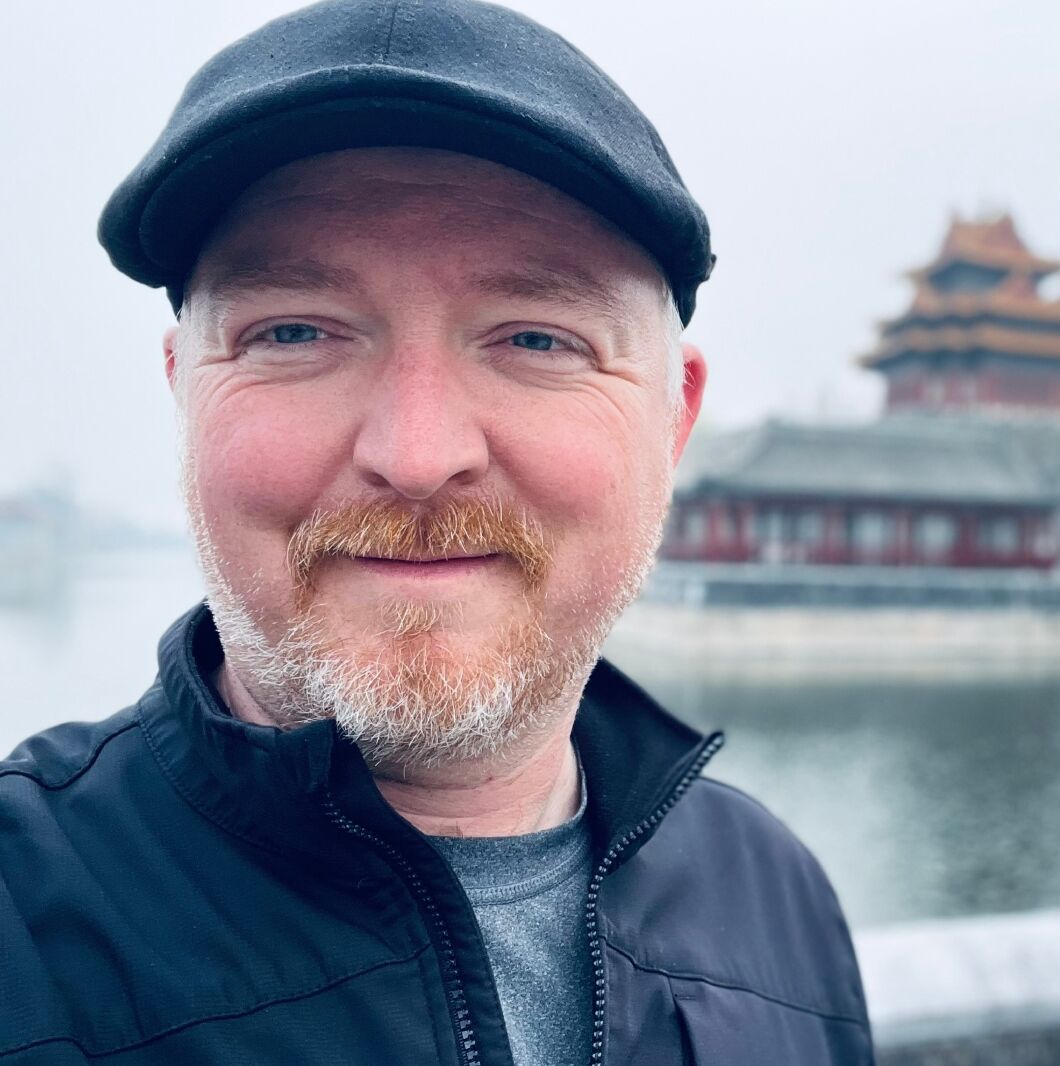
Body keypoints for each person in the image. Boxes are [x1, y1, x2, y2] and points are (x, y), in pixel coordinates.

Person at [0, 2, 873, 1063]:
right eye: (293, 331)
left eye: (537, 337)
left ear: (673, 418)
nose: (417, 454)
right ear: (186, 389)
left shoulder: (773, 893)